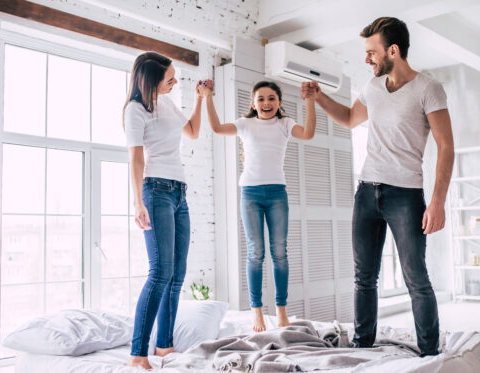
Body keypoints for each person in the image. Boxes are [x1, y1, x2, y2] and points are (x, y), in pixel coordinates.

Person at [304, 17, 454, 356]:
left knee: (416, 279)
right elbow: (349, 118)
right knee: (364, 277)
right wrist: (320, 96)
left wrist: (438, 202)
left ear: (394, 51)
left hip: (405, 195)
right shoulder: (371, 88)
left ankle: (430, 354)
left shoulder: (428, 88)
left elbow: (446, 146)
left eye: (372, 52)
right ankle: (363, 346)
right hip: (367, 192)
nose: (367, 59)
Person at [198, 80, 317, 332]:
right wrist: (208, 96)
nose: (266, 103)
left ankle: (281, 312)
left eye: (271, 98)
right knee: (255, 253)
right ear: (253, 103)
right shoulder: (245, 124)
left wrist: (310, 101)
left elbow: (307, 133)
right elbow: (218, 128)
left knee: (280, 253)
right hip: (250, 193)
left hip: (277, 194)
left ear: (279, 103)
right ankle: (257, 313)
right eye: (261, 99)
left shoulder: (284, 124)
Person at [123, 51, 207, 369]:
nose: (175, 82)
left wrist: (200, 99)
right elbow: (136, 158)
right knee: (159, 273)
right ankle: (137, 354)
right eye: (170, 77)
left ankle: (164, 348)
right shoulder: (135, 109)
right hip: (155, 191)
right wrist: (137, 201)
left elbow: (193, 131)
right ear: (152, 79)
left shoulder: (167, 102)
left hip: (179, 191)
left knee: (176, 275)